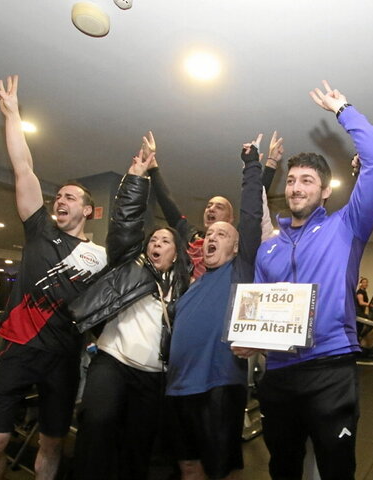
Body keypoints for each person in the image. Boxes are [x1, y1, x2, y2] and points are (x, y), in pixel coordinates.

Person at [233, 81, 373, 480]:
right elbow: (258, 309)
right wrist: (252, 338)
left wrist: (344, 110)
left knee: (336, 469)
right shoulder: (271, 246)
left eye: (306, 180)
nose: (296, 187)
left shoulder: (347, 226)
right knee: (283, 467)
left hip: (330, 369)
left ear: (324, 191)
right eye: (291, 181)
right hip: (280, 373)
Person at [0, 75, 107, 480]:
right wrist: (13, 114)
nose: (60, 200)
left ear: (87, 210)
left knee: (51, 444)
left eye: (70, 197)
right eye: (58, 196)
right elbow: (23, 167)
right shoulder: (39, 230)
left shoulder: (97, 256)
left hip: (63, 359)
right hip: (17, 350)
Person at [68, 138, 191, 480]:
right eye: (154, 239)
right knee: (98, 421)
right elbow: (125, 223)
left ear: (176, 253)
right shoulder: (131, 263)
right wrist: (137, 178)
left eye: (165, 241)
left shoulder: (184, 287)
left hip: (153, 377)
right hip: (113, 362)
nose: (156, 243)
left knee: (139, 443)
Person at [165, 136, 263, 480]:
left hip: (218, 385)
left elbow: (251, 216)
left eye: (222, 235)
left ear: (237, 248)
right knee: (189, 467)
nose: (212, 237)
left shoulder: (240, 271)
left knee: (222, 470)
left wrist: (252, 166)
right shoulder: (192, 285)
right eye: (210, 234)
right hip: (178, 388)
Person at [144, 130, 283, 279]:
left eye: (219, 207)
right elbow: (168, 205)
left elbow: (253, 206)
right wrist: (152, 167)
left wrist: (270, 164)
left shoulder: (237, 243)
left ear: (230, 219)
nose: (211, 209)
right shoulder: (191, 237)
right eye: (209, 205)